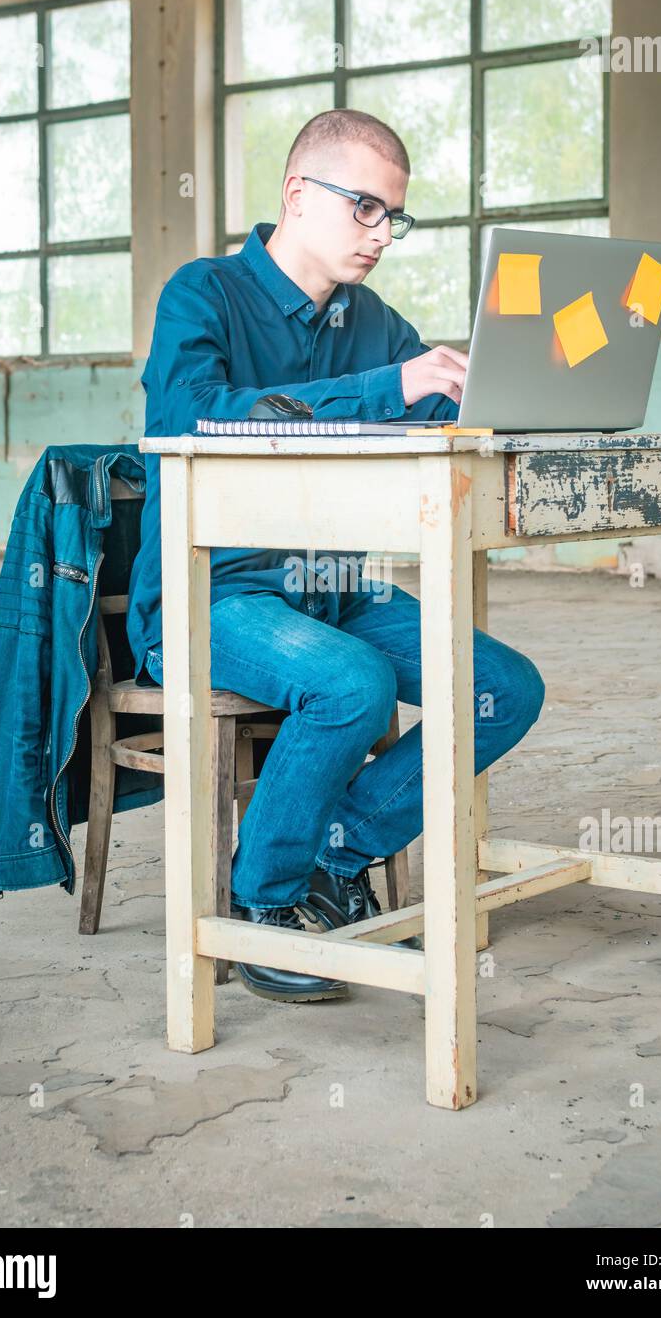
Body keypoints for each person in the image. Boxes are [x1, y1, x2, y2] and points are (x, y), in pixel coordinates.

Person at [126, 108, 545, 1003]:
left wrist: (505, 394)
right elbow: (190, 417)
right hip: (215, 594)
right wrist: (385, 385)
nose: (382, 233)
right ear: (296, 195)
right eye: (364, 207)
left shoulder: (371, 319)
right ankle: (261, 908)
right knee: (351, 683)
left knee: (505, 688)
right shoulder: (202, 294)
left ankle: (336, 854)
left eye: (395, 215)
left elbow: (432, 411)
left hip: (330, 588)